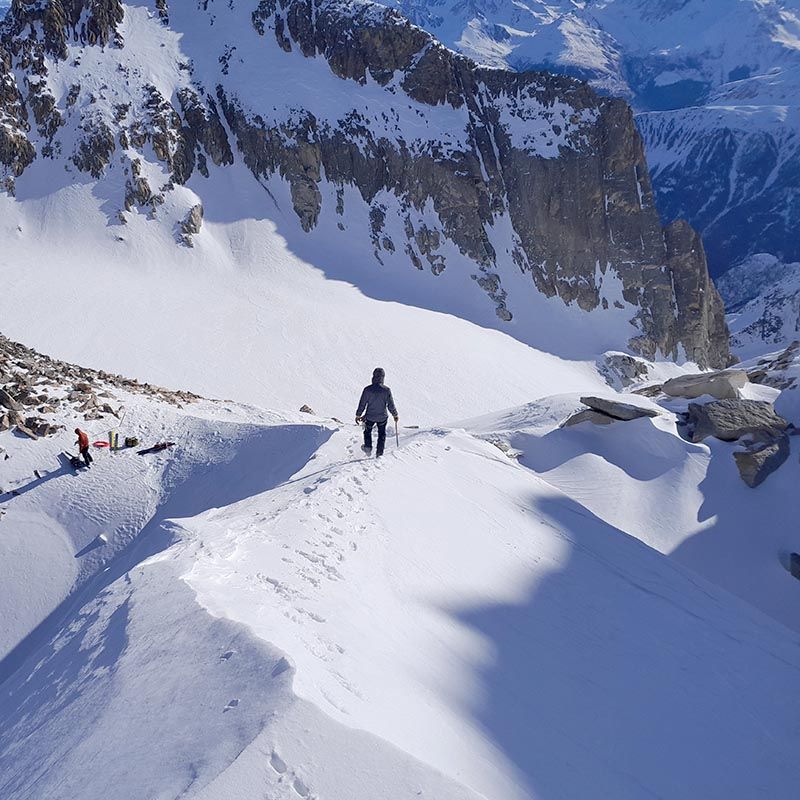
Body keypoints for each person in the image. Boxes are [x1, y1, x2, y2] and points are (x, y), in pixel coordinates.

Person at [356, 367, 398, 458]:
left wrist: (358, 414)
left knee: (367, 431)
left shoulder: (367, 389)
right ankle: (379, 454)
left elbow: (362, 403)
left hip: (370, 416)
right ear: (383, 377)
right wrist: (395, 415)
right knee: (381, 434)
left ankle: (368, 448)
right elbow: (390, 405)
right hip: (382, 417)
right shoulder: (386, 390)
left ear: (373, 376)